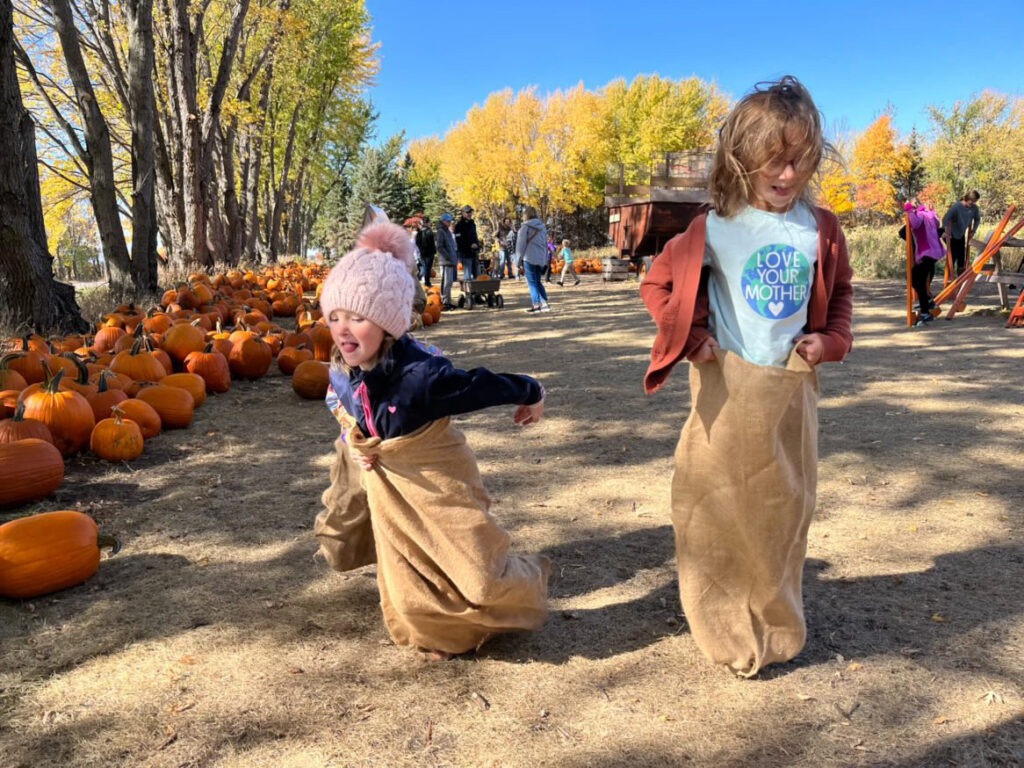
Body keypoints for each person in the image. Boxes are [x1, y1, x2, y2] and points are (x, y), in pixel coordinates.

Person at [640, 75, 854, 678]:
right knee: (716, 504)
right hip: (727, 388)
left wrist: (830, 340)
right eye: (773, 162)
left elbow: (839, 296)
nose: (787, 176)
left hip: (788, 390)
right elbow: (657, 284)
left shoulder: (821, 228)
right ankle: (723, 620)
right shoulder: (718, 226)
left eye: (800, 161)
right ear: (741, 158)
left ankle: (776, 614)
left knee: (784, 505)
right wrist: (692, 337)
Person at [313, 221, 550, 659]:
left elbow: (481, 385)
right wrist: (355, 439)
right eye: (334, 317)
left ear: (388, 324)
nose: (343, 329)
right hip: (384, 478)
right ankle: (434, 627)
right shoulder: (339, 366)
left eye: (358, 317)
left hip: (433, 472)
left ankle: (521, 582)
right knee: (402, 576)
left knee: (477, 572)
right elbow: (338, 401)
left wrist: (531, 390)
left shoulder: (422, 377)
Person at [904, 199, 945, 325]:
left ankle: (926, 311)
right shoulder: (929, 214)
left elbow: (915, 224)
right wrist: (932, 211)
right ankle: (927, 303)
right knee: (918, 280)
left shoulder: (920, 215)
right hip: (935, 252)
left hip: (927, 252)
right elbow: (938, 223)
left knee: (915, 278)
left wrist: (909, 210)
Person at [516, 206, 551, 313]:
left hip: (529, 257)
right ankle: (544, 302)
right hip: (540, 258)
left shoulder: (524, 227)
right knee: (537, 281)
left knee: (532, 283)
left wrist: (518, 261)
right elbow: (545, 244)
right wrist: (545, 259)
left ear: (525, 215)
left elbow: (520, 245)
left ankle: (536, 305)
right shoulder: (542, 227)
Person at [942, 190, 981, 276]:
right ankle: (949, 277)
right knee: (954, 254)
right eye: (972, 201)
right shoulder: (956, 207)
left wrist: (973, 231)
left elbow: (977, 219)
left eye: (975, 202)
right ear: (967, 199)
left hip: (960, 234)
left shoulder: (974, 208)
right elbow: (945, 219)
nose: (973, 203)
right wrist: (945, 231)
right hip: (950, 234)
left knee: (961, 256)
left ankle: (960, 278)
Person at [435, 212, 458, 310]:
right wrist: (448, 256)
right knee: (446, 282)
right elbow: (439, 247)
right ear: (443, 221)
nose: (449, 223)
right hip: (446, 261)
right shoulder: (441, 231)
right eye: (448, 221)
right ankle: (445, 302)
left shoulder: (447, 231)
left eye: (450, 221)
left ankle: (448, 301)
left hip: (451, 260)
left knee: (449, 282)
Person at [454, 205, 481, 281]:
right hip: (465, 253)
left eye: (470, 212)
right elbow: (459, 241)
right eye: (467, 212)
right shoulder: (459, 226)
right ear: (463, 213)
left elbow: (475, 236)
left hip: (474, 252)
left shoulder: (472, 224)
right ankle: (469, 291)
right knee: (467, 274)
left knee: (477, 274)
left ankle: (477, 291)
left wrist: (477, 245)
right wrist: (470, 245)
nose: (469, 214)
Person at [414, 215, 437, 287]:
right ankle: (427, 282)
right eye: (429, 222)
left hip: (422, 253)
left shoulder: (419, 233)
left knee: (425, 267)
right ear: (427, 223)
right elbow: (432, 243)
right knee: (427, 267)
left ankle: (425, 280)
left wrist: (421, 249)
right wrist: (433, 250)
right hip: (429, 253)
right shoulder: (429, 231)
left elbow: (417, 243)